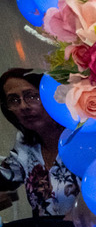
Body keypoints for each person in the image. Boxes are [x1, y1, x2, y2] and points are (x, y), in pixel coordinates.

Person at [0, 69, 79, 217]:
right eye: (14, 100)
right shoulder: (24, 143)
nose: (23, 106)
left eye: (32, 96)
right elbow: (7, 175)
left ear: (51, 96)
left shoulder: (80, 138)